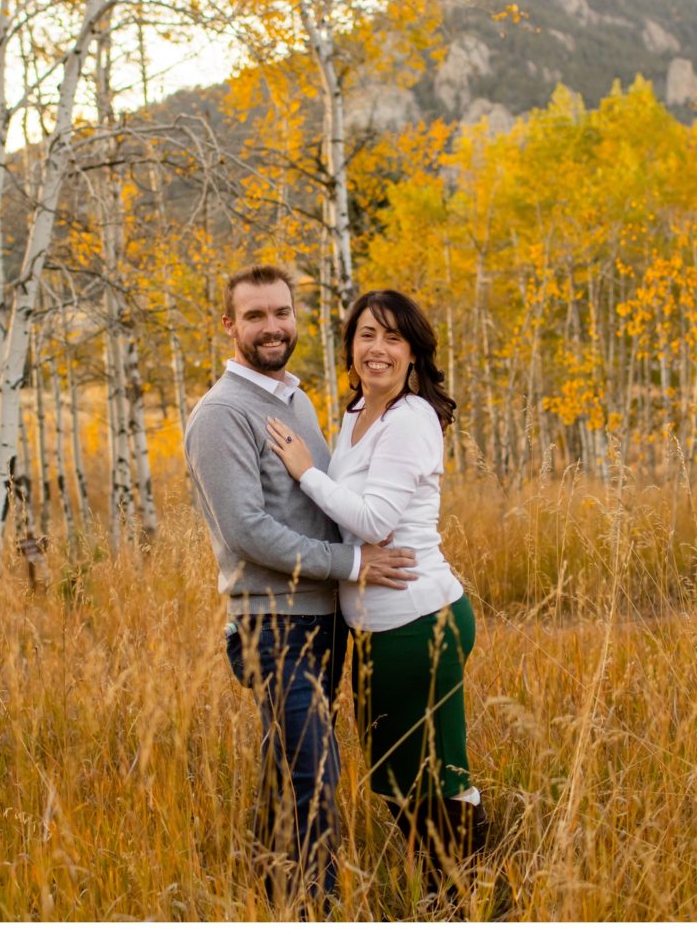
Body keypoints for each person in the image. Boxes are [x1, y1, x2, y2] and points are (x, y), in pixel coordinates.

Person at [184, 265, 420, 912]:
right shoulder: (221, 414)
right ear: (229, 324)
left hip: (321, 621)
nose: (272, 326)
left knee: (286, 772)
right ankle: (316, 909)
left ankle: (271, 898)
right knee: (314, 774)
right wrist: (351, 563)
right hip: (271, 623)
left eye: (282, 312)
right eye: (255, 316)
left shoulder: (294, 398)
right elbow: (248, 531)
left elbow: (321, 496)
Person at [264, 288, 487, 895]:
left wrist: (304, 470)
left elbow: (372, 521)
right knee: (401, 774)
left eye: (392, 337)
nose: (378, 348)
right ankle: (459, 891)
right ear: (351, 346)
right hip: (379, 625)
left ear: (414, 351)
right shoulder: (358, 411)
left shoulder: (410, 419)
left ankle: (467, 898)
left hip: (417, 621)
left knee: (428, 774)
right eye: (367, 335)